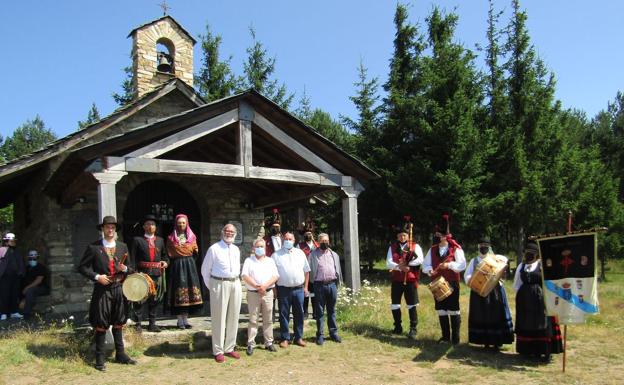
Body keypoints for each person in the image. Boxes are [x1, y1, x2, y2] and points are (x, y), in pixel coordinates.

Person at [78, 216, 136, 371]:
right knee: (101, 323)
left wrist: (123, 268)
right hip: (102, 289)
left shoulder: (123, 247)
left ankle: (121, 354)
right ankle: (99, 358)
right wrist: (97, 277)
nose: (110, 230)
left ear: (115, 230)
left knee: (119, 321)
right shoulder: (93, 247)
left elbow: (130, 269)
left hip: (119, 289)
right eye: (107, 227)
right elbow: (82, 267)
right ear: (102, 229)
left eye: (112, 227)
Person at [513, 241, 563, 361]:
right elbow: (517, 284)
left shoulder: (542, 265)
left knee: (542, 323)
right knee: (526, 322)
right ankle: (527, 350)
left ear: (537, 254)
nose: (529, 255)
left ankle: (545, 351)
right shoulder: (522, 266)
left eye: (532, 253)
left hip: (541, 297)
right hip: (524, 298)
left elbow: (550, 282)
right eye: (527, 253)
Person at [201, 223, 242, 363]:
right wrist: (212, 286)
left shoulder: (236, 249)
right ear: (222, 232)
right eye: (227, 231)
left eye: (232, 231)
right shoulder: (214, 248)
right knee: (219, 318)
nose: (229, 233)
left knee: (234, 315)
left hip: (235, 282)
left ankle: (230, 347)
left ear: (235, 234)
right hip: (219, 283)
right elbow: (205, 270)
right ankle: (218, 350)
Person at [464, 237, 514, 350]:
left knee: (495, 315)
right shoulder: (474, 261)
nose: (483, 248)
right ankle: (485, 341)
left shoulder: (496, 259)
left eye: (485, 246)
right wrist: (474, 282)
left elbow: (503, 269)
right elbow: (467, 276)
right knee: (482, 316)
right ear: (478, 247)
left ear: (489, 247)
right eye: (481, 245)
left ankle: (497, 341)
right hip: (479, 292)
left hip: (494, 292)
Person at [422, 216, 466, 345]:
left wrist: (449, 265)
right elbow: (425, 265)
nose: (438, 238)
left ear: (446, 236)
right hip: (437, 283)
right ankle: (445, 337)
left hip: (452, 282)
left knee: (453, 309)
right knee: (441, 310)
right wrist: (429, 270)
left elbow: (462, 265)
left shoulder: (455, 249)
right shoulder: (433, 249)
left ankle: (455, 338)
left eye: (440, 235)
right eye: (436, 235)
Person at [386, 217, 423, 339]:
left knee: (411, 304)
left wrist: (408, 265)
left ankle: (413, 328)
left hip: (410, 280)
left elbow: (420, 259)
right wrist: (400, 267)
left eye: (404, 235)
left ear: (407, 236)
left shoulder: (414, 246)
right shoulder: (392, 247)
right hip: (397, 280)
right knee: (395, 304)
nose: (402, 237)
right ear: (397, 237)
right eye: (400, 235)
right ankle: (398, 327)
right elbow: (388, 263)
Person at [131, 215, 169, 332]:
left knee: (155, 299)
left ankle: (152, 324)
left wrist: (165, 262)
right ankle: (138, 324)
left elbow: (165, 257)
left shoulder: (161, 241)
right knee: (140, 299)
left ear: (155, 227)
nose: (150, 226)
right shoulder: (137, 240)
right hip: (142, 274)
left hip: (157, 274)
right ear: (143, 227)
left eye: (152, 224)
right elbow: (133, 258)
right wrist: (133, 273)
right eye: (147, 224)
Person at [241, 238, 279, 355]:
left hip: (267, 293)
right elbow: (245, 276)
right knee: (253, 319)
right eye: (257, 247)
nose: (259, 249)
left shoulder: (270, 261)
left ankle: (269, 342)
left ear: (265, 248)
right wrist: (258, 287)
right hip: (253, 294)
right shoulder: (249, 260)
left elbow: (275, 276)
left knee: (268, 319)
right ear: (253, 248)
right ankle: (251, 343)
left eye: (262, 247)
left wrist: (264, 286)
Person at [273, 231, 310, 348]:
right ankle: (285, 338)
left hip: (298, 289)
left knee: (299, 314)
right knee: (284, 315)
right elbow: (272, 274)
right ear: (283, 241)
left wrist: (306, 287)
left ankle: (299, 337)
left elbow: (306, 271)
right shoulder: (276, 255)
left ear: (294, 241)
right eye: (286, 239)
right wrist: (274, 289)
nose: (288, 241)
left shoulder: (300, 253)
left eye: (290, 239)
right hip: (283, 290)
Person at [166, 214, 203, 329]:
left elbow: (195, 252)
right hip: (177, 266)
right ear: (176, 224)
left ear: (186, 223)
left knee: (190, 292)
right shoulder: (171, 238)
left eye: (183, 222)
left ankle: (186, 320)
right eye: (179, 223)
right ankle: (179, 320)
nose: (181, 225)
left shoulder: (192, 237)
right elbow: (169, 253)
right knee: (179, 292)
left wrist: (188, 257)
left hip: (189, 266)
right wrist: (181, 253)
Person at [308, 233, 343, 345]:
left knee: (332, 310)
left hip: (332, 285)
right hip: (319, 285)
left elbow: (338, 269)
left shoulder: (334, 254)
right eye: (323, 241)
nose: (325, 243)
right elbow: (309, 271)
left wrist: (338, 282)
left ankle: (333, 333)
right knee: (320, 311)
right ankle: (320, 335)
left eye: (327, 241)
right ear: (318, 242)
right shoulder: (313, 255)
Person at [0, 233, 25, 321]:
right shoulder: (2, 250)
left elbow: (20, 263)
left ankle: (14, 312)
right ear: (6, 242)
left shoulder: (17, 251)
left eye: (14, 241)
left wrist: (21, 273)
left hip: (15, 277)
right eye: (12, 241)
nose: (14, 242)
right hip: (4, 277)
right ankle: (3, 313)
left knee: (14, 294)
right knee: (4, 295)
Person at [20, 250, 50, 320]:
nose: (32, 260)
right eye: (30, 258)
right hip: (30, 289)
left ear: (37, 258)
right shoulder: (27, 268)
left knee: (30, 290)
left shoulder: (41, 267)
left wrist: (27, 288)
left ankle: (26, 314)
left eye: (34, 258)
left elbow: (38, 280)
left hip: (41, 288)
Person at [297, 226, 319, 319]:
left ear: (312, 235)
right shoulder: (299, 246)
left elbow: (319, 251)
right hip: (304, 273)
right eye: (306, 234)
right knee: (305, 293)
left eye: (310, 234)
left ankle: (315, 313)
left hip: (315, 273)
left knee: (314, 294)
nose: (308, 235)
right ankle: (305, 312)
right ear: (304, 235)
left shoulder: (316, 245)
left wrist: (314, 241)